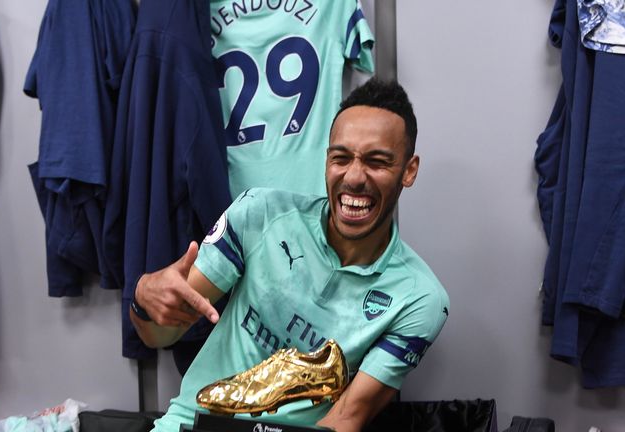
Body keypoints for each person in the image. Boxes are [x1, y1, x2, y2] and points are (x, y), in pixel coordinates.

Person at [131, 78, 449, 432]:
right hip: (191, 426)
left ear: (409, 170)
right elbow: (158, 336)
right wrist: (144, 298)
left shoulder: (419, 297)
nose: (354, 177)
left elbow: (346, 419)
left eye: (377, 162)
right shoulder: (259, 213)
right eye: (340, 158)